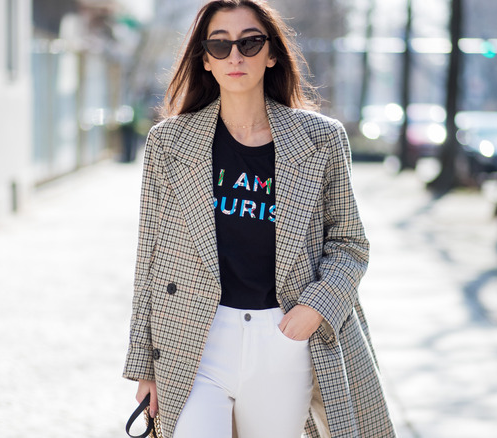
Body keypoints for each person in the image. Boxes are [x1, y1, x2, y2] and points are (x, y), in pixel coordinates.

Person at [123, 1, 396, 437]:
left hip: (282, 338)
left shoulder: (321, 140)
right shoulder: (168, 144)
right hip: (194, 338)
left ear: (271, 54)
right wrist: (143, 365)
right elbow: (149, 259)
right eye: (220, 44)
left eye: (250, 43)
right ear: (205, 59)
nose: (235, 56)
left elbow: (350, 244)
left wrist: (314, 309)